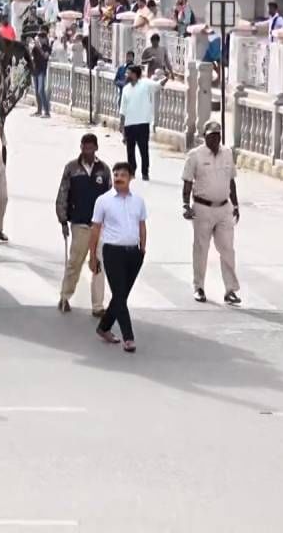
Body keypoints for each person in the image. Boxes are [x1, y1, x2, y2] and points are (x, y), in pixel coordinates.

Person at [88, 162, 148, 353]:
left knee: (121, 295)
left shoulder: (138, 201)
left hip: (134, 253)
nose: (118, 178)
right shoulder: (103, 201)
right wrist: (92, 256)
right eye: (115, 175)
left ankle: (104, 327)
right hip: (112, 252)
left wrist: (143, 248)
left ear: (131, 177)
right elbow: (95, 229)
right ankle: (128, 337)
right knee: (120, 296)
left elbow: (142, 225)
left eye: (123, 174)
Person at [182, 121, 242, 305]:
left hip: (224, 207)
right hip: (203, 207)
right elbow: (187, 182)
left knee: (227, 249)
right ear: (205, 136)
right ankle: (198, 287)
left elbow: (231, 180)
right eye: (212, 135)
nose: (215, 139)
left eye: (218, 135)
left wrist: (236, 205)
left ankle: (230, 289)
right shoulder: (195, 155)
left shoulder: (227, 153)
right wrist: (185, 204)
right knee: (201, 249)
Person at [56, 134, 111, 315]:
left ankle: (97, 306)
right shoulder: (71, 168)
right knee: (74, 263)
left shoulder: (104, 170)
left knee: (98, 266)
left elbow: (111, 199)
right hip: (79, 224)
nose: (87, 151)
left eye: (90, 148)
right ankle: (64, 297)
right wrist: (63, 220)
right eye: (84, 147)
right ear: (80, 147)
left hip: (99, 226)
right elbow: (63, 194)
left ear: (96, 148)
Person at [119, 65, 163, 181]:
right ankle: (132, 171)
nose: (126, 75)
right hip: (129, 124)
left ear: (135, 74)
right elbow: (123, 108)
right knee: (130, 151)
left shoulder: (145, 84)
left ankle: (145, 172)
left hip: (143, 123)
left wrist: (166, 77)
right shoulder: (126, 89)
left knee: (143, 150)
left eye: (129, 73)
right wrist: (121, 124)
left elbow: (158, 85)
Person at [29, 33, 51, 118]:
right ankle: (39, 110)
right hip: (35, 70)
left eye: (41, 39)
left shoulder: (47, 47)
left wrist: (39, 48)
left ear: (45, 39)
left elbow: (46, 56)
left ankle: (47, 112)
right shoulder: (34, 48)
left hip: (42, 70)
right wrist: (32, 47)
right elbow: (30, 55)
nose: (40, 41)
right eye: (38, 39)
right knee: (36, 92)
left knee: (41, 90)